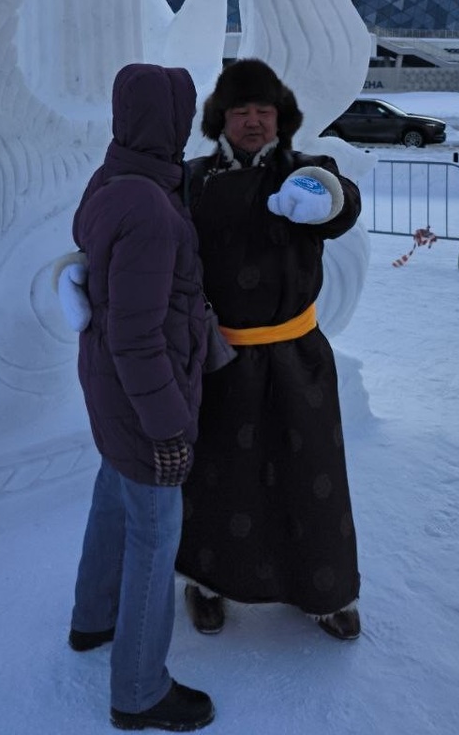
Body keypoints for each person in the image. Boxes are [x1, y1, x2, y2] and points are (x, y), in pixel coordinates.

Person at [175, 58, 363, 642]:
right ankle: (207, 584)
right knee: (219, 478)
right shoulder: (191, 179)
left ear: (281, 119)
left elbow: (344, 203)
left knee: (311, 477)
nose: (253, 122)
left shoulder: (307, 172)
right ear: (220, 119)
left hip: (295, 358)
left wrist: (327, 199)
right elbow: (147, 235)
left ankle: (325, 592)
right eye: (240, 111)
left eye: (264, 110)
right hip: (220, 358)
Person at [67, 63, 216, 733]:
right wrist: (169, 425)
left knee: (111, 499)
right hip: (141, 400)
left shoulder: (113, 182)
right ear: (174, 122)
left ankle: (93, 619)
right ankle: (139, 689)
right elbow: (136, 335)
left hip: (106, 390)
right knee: (156, 534)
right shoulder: (152, 208)